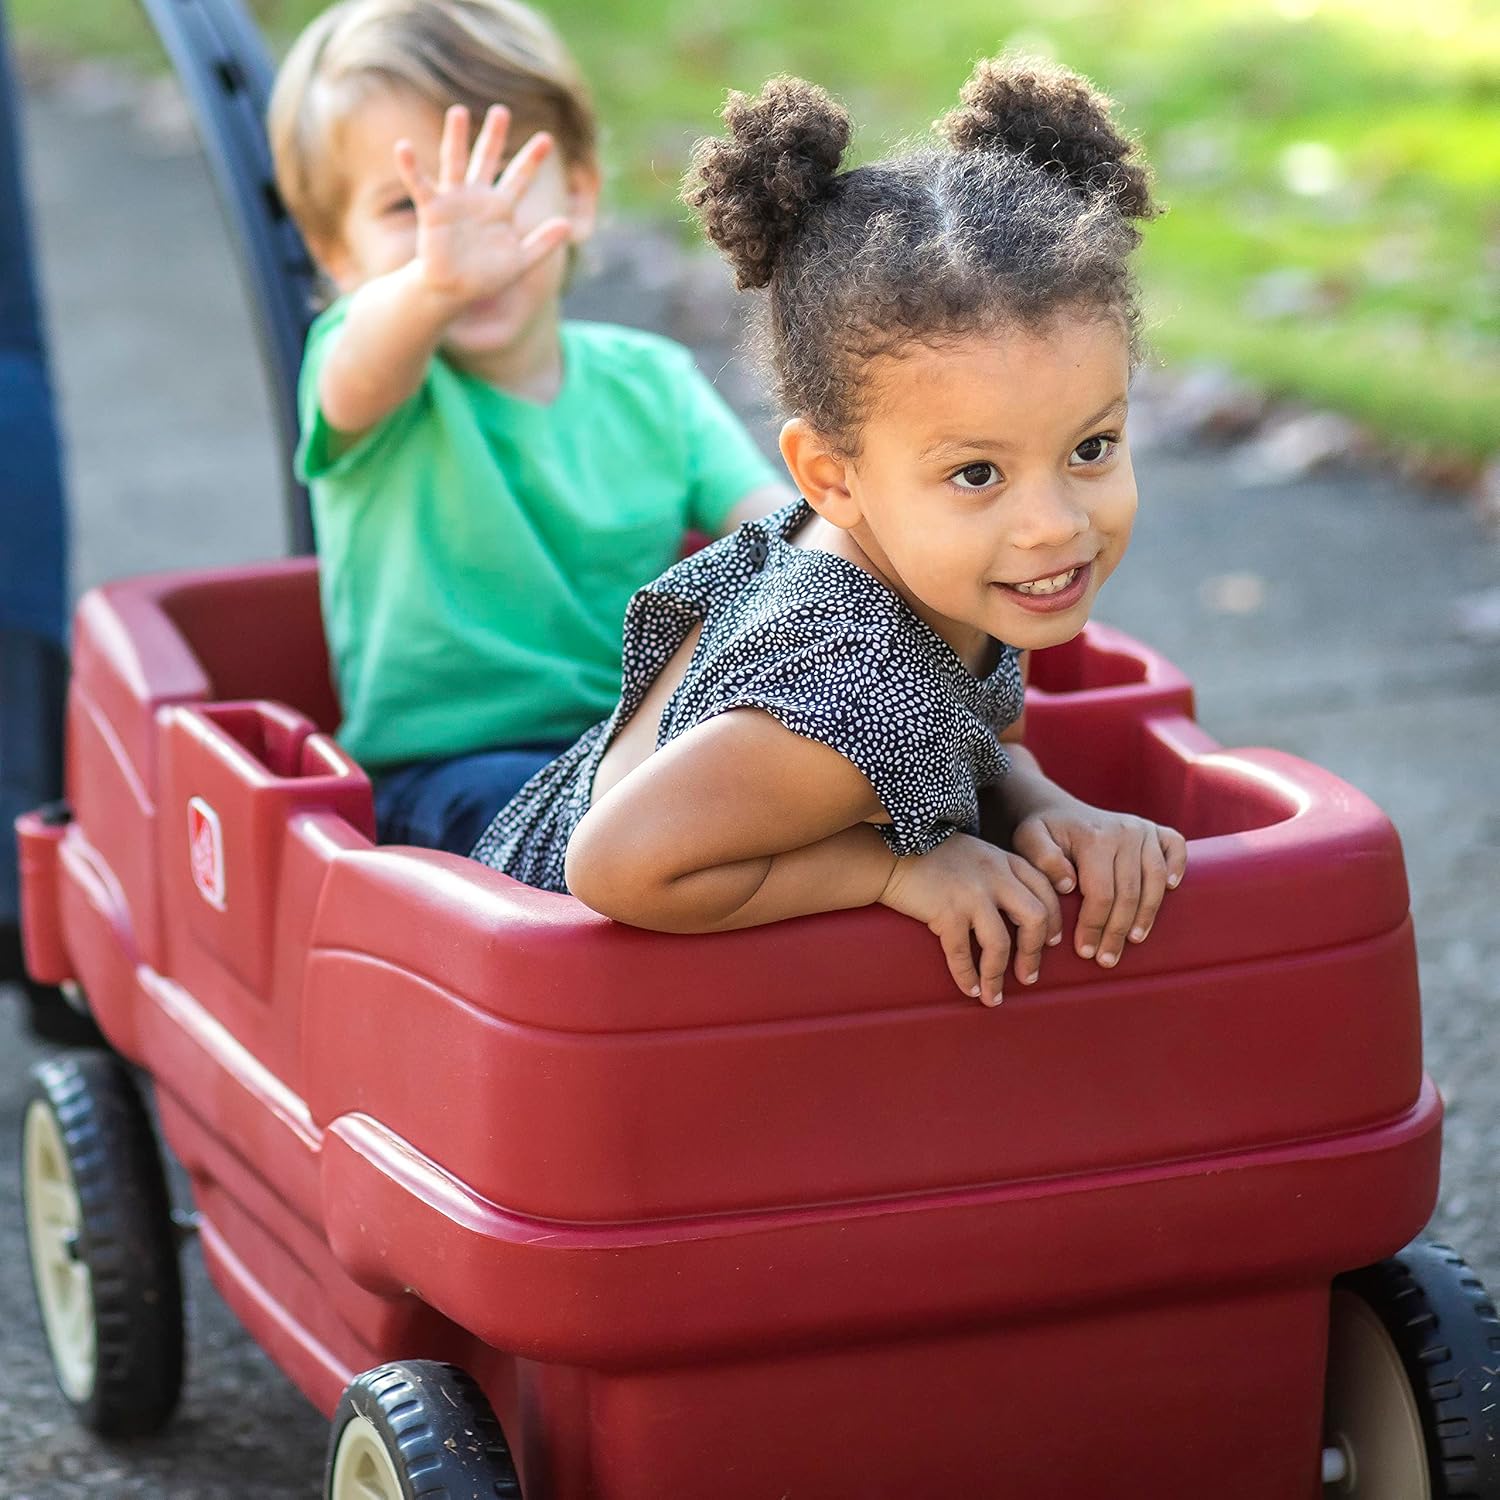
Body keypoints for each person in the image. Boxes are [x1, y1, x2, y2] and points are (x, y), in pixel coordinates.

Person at [472, 57, 1188, 1006]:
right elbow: (615, 861)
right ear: (830, 478)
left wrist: (1044, 808)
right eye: (978, 474)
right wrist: (894, 875)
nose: (1054, 524)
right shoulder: (845, 685)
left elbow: (982, 732)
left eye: (1092, 447)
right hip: (530, 994)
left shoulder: (952, 575)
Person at [267, 0, 789, 854]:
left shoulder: (651, 385)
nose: (464, 231)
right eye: (410, 205)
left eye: (500, 182)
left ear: (579, 196)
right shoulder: (373, 377)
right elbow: (358, 369)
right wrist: (432, 287)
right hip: (450, 773)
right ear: (339, 258)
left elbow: (779, 531)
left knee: (788, 783)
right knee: (638, 837)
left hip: (645, 749)